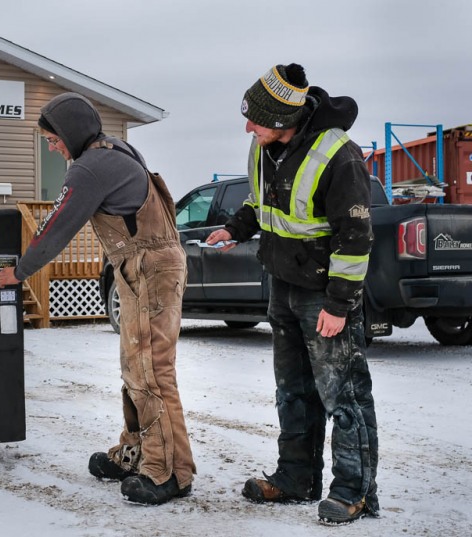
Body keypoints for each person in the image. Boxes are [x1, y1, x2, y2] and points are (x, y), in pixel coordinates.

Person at [0, 92, 195, 505]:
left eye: (53, 139)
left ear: (71, 131)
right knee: (134, 365)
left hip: (148, 267)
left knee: (152, 369)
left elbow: (54, 229)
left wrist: (18, 272)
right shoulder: (116, 149)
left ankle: (170, 471)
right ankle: (138, 451)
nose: (52, 147)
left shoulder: (89, 168)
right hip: (143, 265)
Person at [206, 64, 379, 525]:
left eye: (256, 120)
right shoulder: (266, 146)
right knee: (293, 392)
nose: (248, 128)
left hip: (323, 293)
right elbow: (263, 202)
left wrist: (339, 305)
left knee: (343, 395)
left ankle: (354, 492)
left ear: (284, 121)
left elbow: (356, 235)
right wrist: (234, 227)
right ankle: (296, 478)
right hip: (281, 285)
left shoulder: (339, 155)